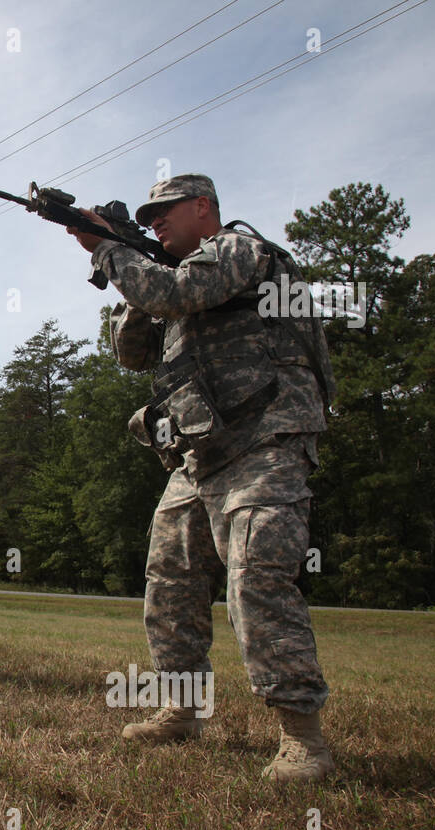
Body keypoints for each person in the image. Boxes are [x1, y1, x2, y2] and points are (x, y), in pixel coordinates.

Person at [69, 173, 337, 783]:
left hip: (266, 436)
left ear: (203, 208)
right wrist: (131, 260)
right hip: (201, 453)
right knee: (170, 578)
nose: (157, 221)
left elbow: (174, 295)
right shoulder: (166, 279)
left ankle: (303, 738)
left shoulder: (238, 251)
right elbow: (131, 352)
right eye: (149, 217)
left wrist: (110, 248)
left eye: (166, 212)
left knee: (256, 578)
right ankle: (181, 709)